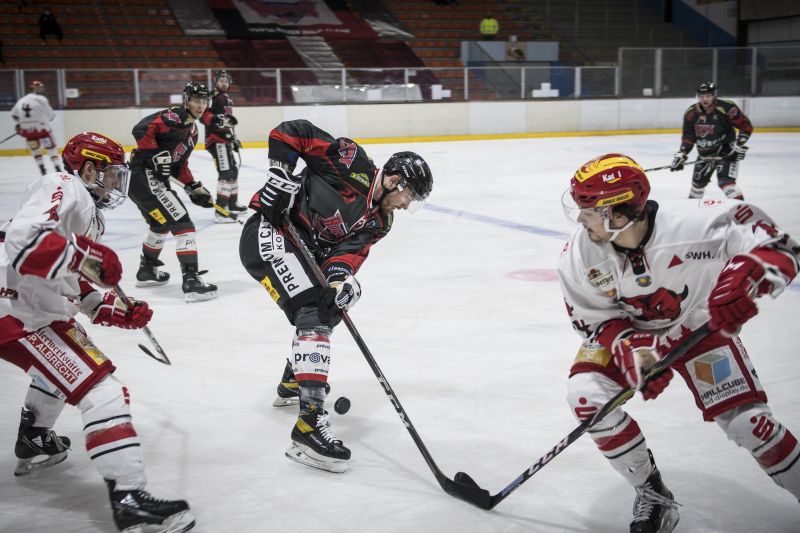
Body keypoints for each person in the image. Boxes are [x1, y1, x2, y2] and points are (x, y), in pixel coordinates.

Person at [557, 153, 800, 533]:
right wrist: (629, 347)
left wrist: (750, 271)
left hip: (697, 324)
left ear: (618, 216)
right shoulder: (580, 255)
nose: (579, 220)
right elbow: (592, 318)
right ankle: (652, 493)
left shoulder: (697, 223)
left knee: (751, 424)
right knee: (586, 396)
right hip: (628, 332)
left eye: (588, 211)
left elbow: (776, 244)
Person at [0, 132, 195, 533]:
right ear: (89, 168)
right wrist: (85, 257)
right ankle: (130, 498)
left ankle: (34, 437)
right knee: (104, 392)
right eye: (112, 173)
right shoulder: (63, 184)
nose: (116, 182)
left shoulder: (88, 208)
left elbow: (71, 284)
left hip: (30, 307)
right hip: (17, 309)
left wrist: (117, 310)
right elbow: (24, 239)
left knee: (58, 365)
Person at [239, 119, 432, 473]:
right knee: (313, 313)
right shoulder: (351, 162)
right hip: (269, 233)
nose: (406, 205)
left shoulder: (380, 222)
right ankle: (308, 426)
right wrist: (280, 176)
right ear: (394, 181)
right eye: (409, 196)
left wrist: (341, 281)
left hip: (303, 251)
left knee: (331, 306)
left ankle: (292, 382)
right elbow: (292, 132)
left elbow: (346, 255)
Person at [128, 81, 223, 302]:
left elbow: (178, 166)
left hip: (145, 181)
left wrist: (193, 187)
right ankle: (191, 280)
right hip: (145, 176)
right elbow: (141, 129)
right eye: (196, 101)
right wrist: (154, 155)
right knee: (184, 225)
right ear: (186, 100)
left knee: (160, 224)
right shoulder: (175, 117)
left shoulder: (193, 131)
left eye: (204, 101)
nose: (201, 106)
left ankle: (147, 270)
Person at [670, 81, 753, 200]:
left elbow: (746, 126)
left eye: (708, 96)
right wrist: (682, 153)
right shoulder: (691, 113)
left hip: (727, 153)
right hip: (704, 155)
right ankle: (693, 213)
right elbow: (688, 137)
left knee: (727, 183)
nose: (705, 99)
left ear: (714, 95)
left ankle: (742, 213)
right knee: (696, 187)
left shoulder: (726, 107)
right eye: (702, 96)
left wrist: (738, 146)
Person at [203, 69, 246, 223]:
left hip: (225, 140)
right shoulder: (211, 96)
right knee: (226, 173)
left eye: (226, 80)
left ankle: (232, 204)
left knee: (233, 171)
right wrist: (218, 121)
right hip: (216, 141)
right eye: (221, 80)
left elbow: (229, 122)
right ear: (215, 81)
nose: (224, 83)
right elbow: (204, 115)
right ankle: (221, 211)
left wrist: (233, 138)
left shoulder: (226, 97)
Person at [11, 80, 61, 176]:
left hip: (27, 131)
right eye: (40, 87)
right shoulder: (41, 99)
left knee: (35, 149)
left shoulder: (21, 100)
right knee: (51, 148)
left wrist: (20, 124)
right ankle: (57, 167)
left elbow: (14, 115)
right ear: (36, 88)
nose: (42, 88)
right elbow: (51, 116)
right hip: (42, 129)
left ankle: (42, 168)